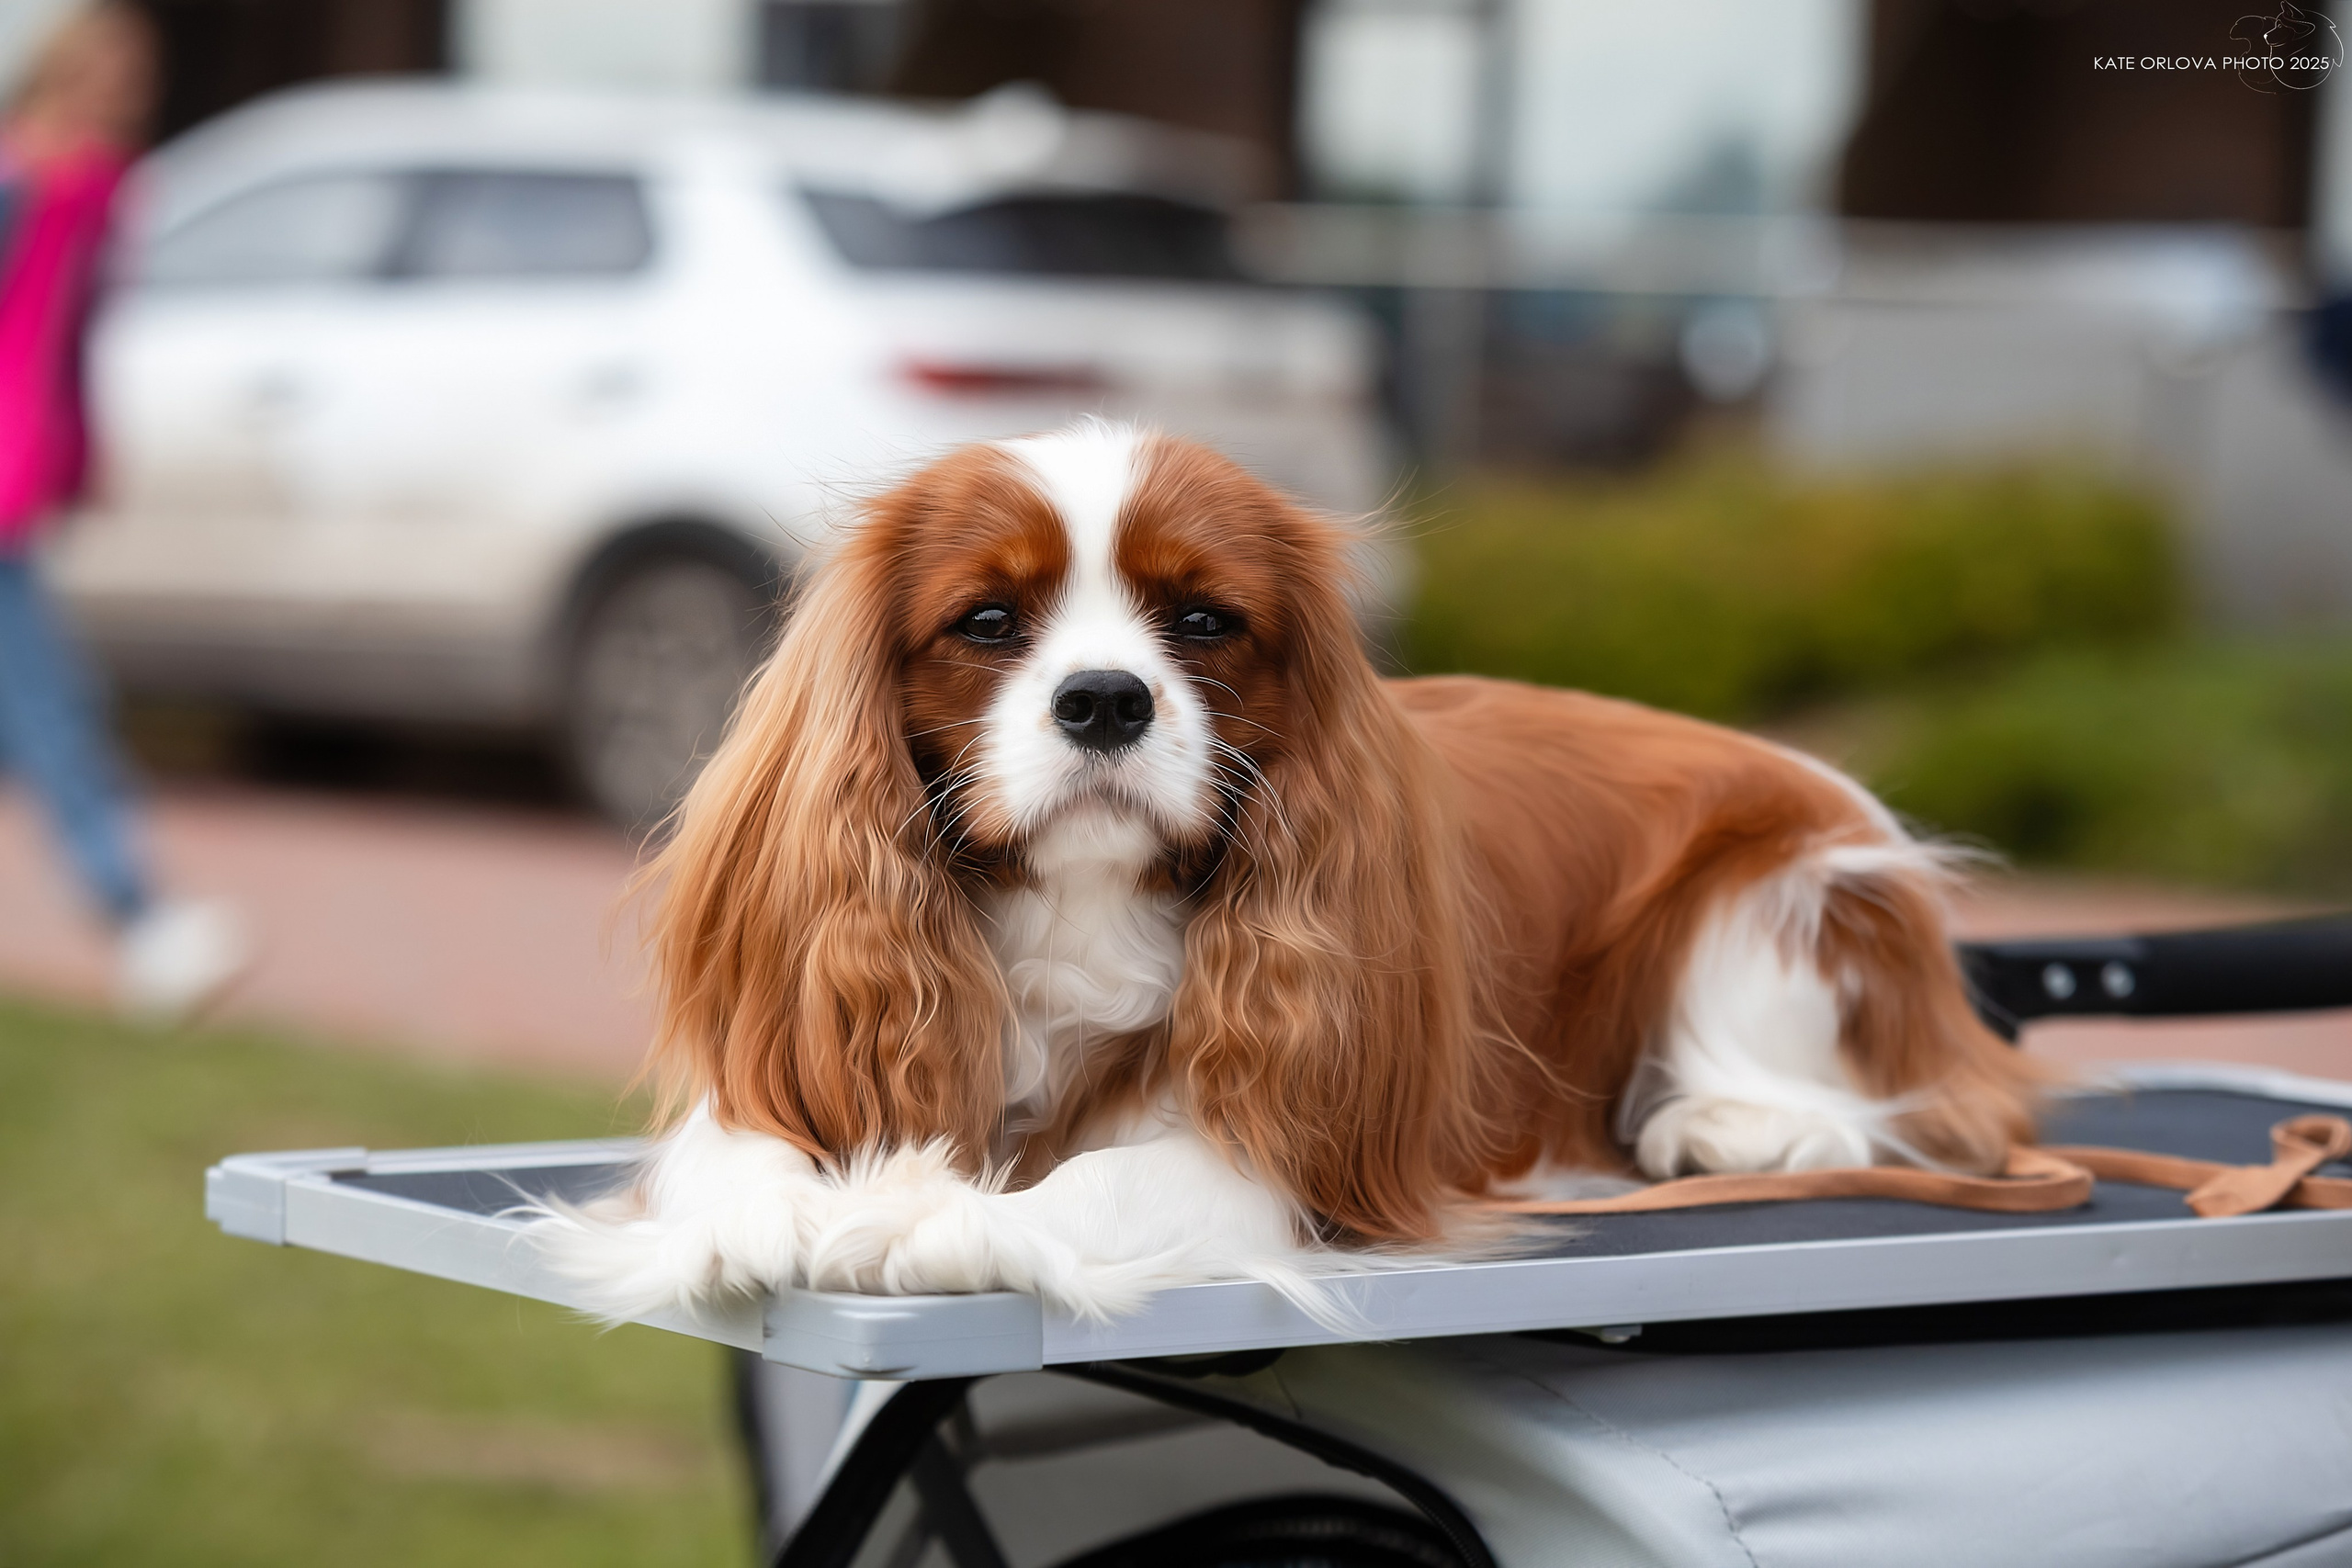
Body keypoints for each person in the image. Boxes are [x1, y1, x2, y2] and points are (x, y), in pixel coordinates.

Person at [0, 3, 245, 1021]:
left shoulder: (98, 187)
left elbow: (67, 342)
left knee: (44, 705)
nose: (123, 80)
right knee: (52, 705)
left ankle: (141, 918)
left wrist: (77, 449)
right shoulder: (29, 181)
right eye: (106, 61)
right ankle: (141, 920)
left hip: (20, 477)